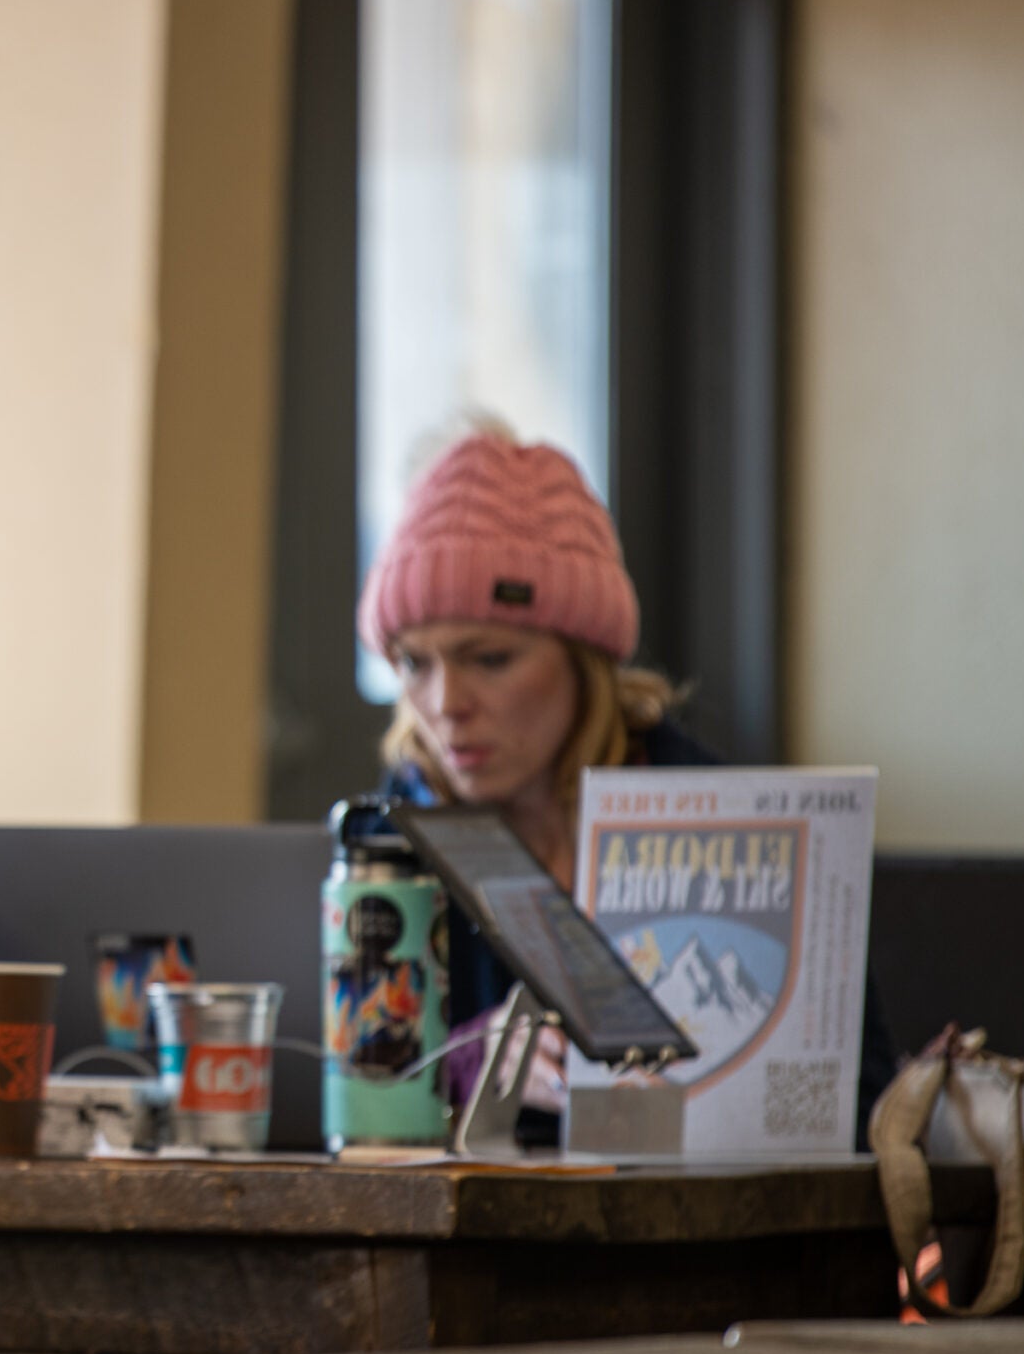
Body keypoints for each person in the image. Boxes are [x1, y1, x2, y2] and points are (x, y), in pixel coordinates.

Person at [359, 427, 894, 1132]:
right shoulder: (381, 841)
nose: (446, 704)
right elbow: (342, 1084)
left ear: (584, 660)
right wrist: (461, 1064)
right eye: (414, 664)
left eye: (488, 658)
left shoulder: (730, 819)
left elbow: (861, 1102)